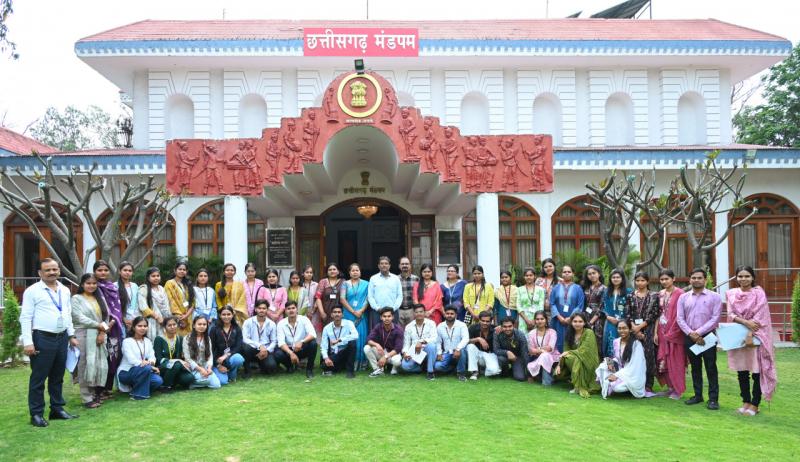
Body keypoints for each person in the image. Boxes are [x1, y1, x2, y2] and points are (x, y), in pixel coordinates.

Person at [20, 258, 80, 426]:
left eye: (55, 269)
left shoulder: (64, 290)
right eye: (47, 270)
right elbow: (25, 317)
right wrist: (28, 342)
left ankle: (57, 409)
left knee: (57, 376)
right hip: (42, 339)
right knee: (38, 378)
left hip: (62, 338)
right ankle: (36, 414)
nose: (52, 272)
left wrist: (71, 335)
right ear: (40, 273)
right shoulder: (32, 291)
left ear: (59, 270)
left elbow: (67, 314)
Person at [725, 265, 777, 416]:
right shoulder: (731, 294)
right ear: (736, 278)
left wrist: (749, 334)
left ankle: (755, 404)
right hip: (738, 337)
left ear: (753, 277)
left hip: (756, 337)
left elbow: (760, 317)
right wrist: (745, 322)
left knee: (756, 371)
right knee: (742, 371)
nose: (743, 279)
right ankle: (745, 402)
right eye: (740, 276)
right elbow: (730, 314)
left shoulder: (758, 293)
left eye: (747, 276)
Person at [677, 268, 722, 410]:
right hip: (689, 336)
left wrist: (699, 332)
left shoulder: (715, 297)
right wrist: (691, 334)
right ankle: (698, 395)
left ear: (705, 280)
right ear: (690, 280)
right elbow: (680, 318)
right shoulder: (683, 297)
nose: (696, 280)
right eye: (694, 278)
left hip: (708, 336)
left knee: (711, 367)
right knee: (695, 367)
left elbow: (715, 318)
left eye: (699, 278)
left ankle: (713, 399)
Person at [71, 274, 110, 408]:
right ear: (82, 284)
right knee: (84, 365)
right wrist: (98, 325)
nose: (91, 286)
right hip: (83, 334)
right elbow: (78, 317)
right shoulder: (76, 299)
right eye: (88, 283)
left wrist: (102, 332)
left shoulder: (99, 298)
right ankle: (86, 398)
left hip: (99, 334)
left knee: (97, 365)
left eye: (94, 283)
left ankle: (94, 394)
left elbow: (106, 316)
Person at [625, 271, 660, 396]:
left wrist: (640, 327)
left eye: (642, 280)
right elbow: (627, 313)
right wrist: (634, 327)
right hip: (633, 329)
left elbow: (654, 314)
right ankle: (635, 382)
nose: (640, 283)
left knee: (648, 356)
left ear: (647, 281)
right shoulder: (630, 296)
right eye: (637, 280)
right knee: (634, 355)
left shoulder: (654, 296)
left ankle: (648, 384)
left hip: (648, 329)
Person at [93, 260, 124, 398]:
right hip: (98, 327)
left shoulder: (112, 287)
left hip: (114, 328)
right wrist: (104, 327)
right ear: (94, 272)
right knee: (101, 358)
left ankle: (108, 388)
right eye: (99, 270)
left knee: (113, 357)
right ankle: (98, 390)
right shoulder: (94, 287)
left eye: (105, 270)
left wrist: (111, 323)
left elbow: (117, 308)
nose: (103, 273)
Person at [595, 319, 646, 399]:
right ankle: (613, 384)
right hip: (621, 371)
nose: (622, 331)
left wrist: (616, 375)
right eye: (619, 328)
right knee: (603, 366)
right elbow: (617, 359)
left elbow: (635, 366)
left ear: (630, 329)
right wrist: (609, 362)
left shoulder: (636, 344)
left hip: (633, 375)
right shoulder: (616, 341)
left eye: (624, 328)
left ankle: (627, 388)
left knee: (617, 388)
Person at [656, 269, 687, 400]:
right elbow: (658, 314)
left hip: (675, 332)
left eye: (666, 279)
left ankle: (678, 390)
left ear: (673, 279)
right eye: (662, 279)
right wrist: (655, 333)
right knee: (664, 360)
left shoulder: (681, 293)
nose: (664, 281)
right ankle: (670, 388)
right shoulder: (660, 294)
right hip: (662, 331)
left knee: (676, 360)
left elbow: (682, 314)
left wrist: (673, 330)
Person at [555, 312, 600, 398]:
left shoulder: (589, 332)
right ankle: (577, 385)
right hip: (575, 359)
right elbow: (565, 351)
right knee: (570, 358)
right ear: (571, 322)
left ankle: (578, 386)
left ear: (584, 323)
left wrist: (569, 352)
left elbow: (584, 350)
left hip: (588, 361)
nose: (577, 324)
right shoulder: (569, 334)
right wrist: (559, 364)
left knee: (575, 358)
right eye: (575, 321)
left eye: (580, 321)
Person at [117, 316, 163, 399]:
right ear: (133, 327)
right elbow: (131, 360)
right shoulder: (127, 341)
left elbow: (152, 356)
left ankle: (136, 389)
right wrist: (149, 366)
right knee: (146, 368)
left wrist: (150, 362)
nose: (143, 328)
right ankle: (138, 395)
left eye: (145, 326)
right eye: (139, 326)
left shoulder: (147, 341)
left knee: (158, 381)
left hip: (143, 370)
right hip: (126, 372)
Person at [275, 301, 318, 379]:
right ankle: (289, 366)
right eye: (288, 309)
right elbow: (281, 342)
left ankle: (309, 369)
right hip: (288, 350)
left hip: (301, 348)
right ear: (285, 311)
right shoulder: (281, 323)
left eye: (293, 308)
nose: (291, 310)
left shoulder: (304, 319)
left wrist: (302, 342)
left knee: (313, 343)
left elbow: (313, 334)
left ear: (297, 309)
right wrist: (291, 353)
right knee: (277, 353)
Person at [549, 265, 585, 353]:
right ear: (561, 274)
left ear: (573, 274)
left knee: (571, 340)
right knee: (557, 340)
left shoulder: (578, 288)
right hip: (558, 320)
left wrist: (571, 318)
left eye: (569, 272)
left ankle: (571, 358)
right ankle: (557, 359)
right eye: (564, 272)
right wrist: (559, 317)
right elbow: (552, 303)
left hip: (573, 321)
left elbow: (580, 305)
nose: (567, 273)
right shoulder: (555, 288)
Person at [153, 317, 195, 390]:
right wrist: (176, 361)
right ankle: (165, 386)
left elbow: (181, 356)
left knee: (189, 378)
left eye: (174, 324)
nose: (172, 327)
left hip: (177, 367)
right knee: (176, 364)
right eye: (169, 325)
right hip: (163, 367)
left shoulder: (180, 338)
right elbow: (158, 359)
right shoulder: (159, 339)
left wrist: (185, 362)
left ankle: (173, 382)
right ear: (164, 327)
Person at [341, 263, 370, 370]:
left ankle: (361, 362)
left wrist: (361, 311)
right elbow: (342, 299)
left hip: (361, 314)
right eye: (352, 270)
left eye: (357, 270)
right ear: (349, 272)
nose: (355, 272)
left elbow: (368, 298)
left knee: (361, 336)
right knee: (349, 337)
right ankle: (349, 362)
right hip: (348, 314)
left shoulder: (366, 284)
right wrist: (353, 311)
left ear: (360, 272)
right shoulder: (345, 284)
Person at [208, 306, 246, 384]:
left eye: (228, 314)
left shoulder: (236, 328)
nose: (226, 317)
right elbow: (211, 349)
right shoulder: (214, 329)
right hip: (218, 359)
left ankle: (231, 374)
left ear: (232, 315)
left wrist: (226, 355)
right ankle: (222, 372)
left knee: (239, 359)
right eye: (223, 314)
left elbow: (238, 346)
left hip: (230, 357)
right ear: (220, 315)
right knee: (223, 382)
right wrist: (217, 365)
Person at [400, 304, 439, 380]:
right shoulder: (409, 326)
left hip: (427, 349)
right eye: (416, 312)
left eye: (421, 312)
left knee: (432, 346)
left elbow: (434, 338)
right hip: (415, 351)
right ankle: (422, 367)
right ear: (413, 314)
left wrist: (421, 342)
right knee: (405, 366)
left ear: (424, 312)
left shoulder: (431, 323)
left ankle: (430, 372)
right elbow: (406, 343)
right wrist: (405, 353)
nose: (419, 314)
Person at [182, 316, 222, 388]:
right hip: (193, 368)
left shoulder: (207, 338)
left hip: (205, 366)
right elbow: (187, 358)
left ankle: (197, 383)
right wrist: (200, 369)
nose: (202, 326)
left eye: (204, 324)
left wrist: (209, 368)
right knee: (207, 380)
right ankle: (193, 383)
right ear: (194, 325)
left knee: (217, 385)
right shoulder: (187, 338)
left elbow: (210, 356)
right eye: (199, 324)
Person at [364, 307, 404, 377]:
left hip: (393, 354)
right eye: (384, 316)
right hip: (381, 351)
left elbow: (398, 348)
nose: (386, 318)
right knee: (367, 348)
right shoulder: (378, 327)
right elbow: (368, 339)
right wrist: (377, 345)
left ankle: (394, 369)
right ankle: (377, 369)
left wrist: (385, 357)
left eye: (389, 316)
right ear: (381, 317)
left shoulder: (398, 329)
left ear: (393, 317)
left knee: (397, 361)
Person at [320, 305, 359, 378]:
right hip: (334, 353)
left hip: (345, 352)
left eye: (339, 312)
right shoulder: (327, 328)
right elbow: (323, 346)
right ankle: (339, 366)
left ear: (342, 314)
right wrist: (326, 358)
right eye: (335, 312)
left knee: (352, 343)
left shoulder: (349, 323)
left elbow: (355, 335)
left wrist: (340, 340)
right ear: (331, 315)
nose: (337, 314)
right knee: (324, 365)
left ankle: (350, 372)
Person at [241, 299, 278, 375]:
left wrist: (267, 351)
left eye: (264, 308)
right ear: (255, 309)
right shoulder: (248, 322)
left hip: (266, 351)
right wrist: (259, 346)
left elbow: (274, 341)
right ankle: (247, 371)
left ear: (267, 310)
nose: (261, 310)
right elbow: (245, 339)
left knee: (271, 366)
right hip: (252, 349)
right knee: (244, 347)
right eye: (259, 308)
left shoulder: (272, 324)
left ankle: (262, 365)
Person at [434, 305, 470, 380]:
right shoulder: (440, 326)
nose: (449, 315)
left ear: (456, 315)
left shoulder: (462, 325)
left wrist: (458, 349)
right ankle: (453, 369)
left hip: (460, 352)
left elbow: (466, 339)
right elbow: (438, 341)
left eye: (452, 314)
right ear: (444, 315)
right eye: (447, 313)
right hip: (447, 352)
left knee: (462, 351)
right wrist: (439, 353)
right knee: (437, 366)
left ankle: (461, 373)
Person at [602, 269, 631, 358]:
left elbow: (630, 308)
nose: (615, 279)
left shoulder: (628, 292)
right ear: (610, 279)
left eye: (618, 277)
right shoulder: (606, 291)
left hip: (624, 322)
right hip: (610, 321)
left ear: (622, 279)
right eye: (613, 277)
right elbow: (603, 306)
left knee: (624, 342)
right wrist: (608, 317)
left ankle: (623, 362)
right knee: (610, 342)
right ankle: (611, 363)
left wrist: (622, 320)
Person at [367, 256, 402, 328]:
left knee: (393, 332)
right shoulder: (373, 278)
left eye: (386, 263)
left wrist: (393, 308)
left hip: (393, 312)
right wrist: (377, 308)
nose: (384, 265)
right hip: (377, 312)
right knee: (377, 332)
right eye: (382, 263)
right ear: (378, 266)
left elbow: (399, 296)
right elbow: (370, 296)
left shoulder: (396, 278)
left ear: (389, 265)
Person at [526, 310, 559, 386]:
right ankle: (547, 380)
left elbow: (550, 348)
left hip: (552, 358)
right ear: (535, 321)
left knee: (545, 356)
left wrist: (538, 349)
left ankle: (546, 382)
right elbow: (531, 350)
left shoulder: (552, 332)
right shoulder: (531, 333)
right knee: (544, 355)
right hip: (536, 358)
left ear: (546, 320)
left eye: (542, 319)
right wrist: (542, 350)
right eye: (537, 319)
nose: (540, 321)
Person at [466, 311, 501, 380]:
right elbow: (466, 341)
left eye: (487, 321)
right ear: (479, 320)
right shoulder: (473, 327)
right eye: (483, 321)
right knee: (470, 346)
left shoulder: (495, 329)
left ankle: (483, 370)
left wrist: (501, 327)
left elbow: (506, 329)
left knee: (494, 371)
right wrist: (478, 339)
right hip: (478, 354)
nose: (485, 323)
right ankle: (474, 371)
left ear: (491, 321)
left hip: (491, 354)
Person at [138, 267, 171, 340]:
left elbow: (167, 305)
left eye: (158, 276)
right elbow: (143, 307)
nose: (156, 278)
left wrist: (166, 319)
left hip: (164, 320)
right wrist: (157, 317)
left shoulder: (162, 289)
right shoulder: (143, 289)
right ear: (148, 277)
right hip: (151, 321)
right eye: (153, 276)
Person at [581, 264, 606, 360]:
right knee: (586, 341)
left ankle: (599, 364)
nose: (592, 275)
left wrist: (591, 322)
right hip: (586, 317)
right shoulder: (586, 288)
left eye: (594, 273)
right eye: (589, 274)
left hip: (598, 319)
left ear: (599, 274)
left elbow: (602, 307)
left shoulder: (604, 288)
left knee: (598, 341)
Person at [164, 262, 196, 336]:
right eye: (180, 269)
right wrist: (180, 317)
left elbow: (193, 302)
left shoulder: (188, 284)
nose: (182, 271)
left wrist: (186, 315)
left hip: (189, 316)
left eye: (184, 270)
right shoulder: (169, 283)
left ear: (186, 271)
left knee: (188, 339)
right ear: (175, 270)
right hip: (176, 317)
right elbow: (171, 301)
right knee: (177, 337)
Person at [315, 263, 343, 334]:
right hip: (326, 312)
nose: (332, 271)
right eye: (330, 270)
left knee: (339, 332)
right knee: (327, 332)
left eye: (334, 269)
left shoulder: (343, 282)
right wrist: (322, 312)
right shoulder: (323, 282)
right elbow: (318, 298)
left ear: (338, 271)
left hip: (339, 312)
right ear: (327, 272)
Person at [517, 267, 546, 334]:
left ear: (534, 276)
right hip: (523, 319)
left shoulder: (540, 290)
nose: (529, 277)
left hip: (537, 319)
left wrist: (534, 320)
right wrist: (526, 320)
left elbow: (541, 306)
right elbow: (518, 305)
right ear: (524, 277)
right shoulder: (519, 289)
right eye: (526, 275)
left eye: (531, 275)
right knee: (523, 337)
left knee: (536, 337)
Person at [397, 256, 420, 326]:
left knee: (412, 330)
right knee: (399, 331)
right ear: (399, 266)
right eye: (402, 264)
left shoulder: (416, 279)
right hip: (399, 310)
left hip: (412, 310)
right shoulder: (395, 279)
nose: (405, 265)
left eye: (407, 264)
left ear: (410, 266)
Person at [117, 261, 140, 329]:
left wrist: (135, 319)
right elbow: (114, 306)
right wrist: (124, 319)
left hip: (135, 319)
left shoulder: (135, 286)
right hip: (120, 320)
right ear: (119, 271)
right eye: (125, 270)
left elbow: (137, 303)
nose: (127, 272)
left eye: (130, 271)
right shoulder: (114, 286)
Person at [296, 265, 320, 330]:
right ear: (303, 274)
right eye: (307, 272)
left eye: (311, 272)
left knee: (313, 330)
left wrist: (312, 311)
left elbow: (318, 299)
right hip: (301, 312)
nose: (309, 274)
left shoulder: (316, 285)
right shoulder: (300, 285)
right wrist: (305, 311)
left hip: (314, 313)